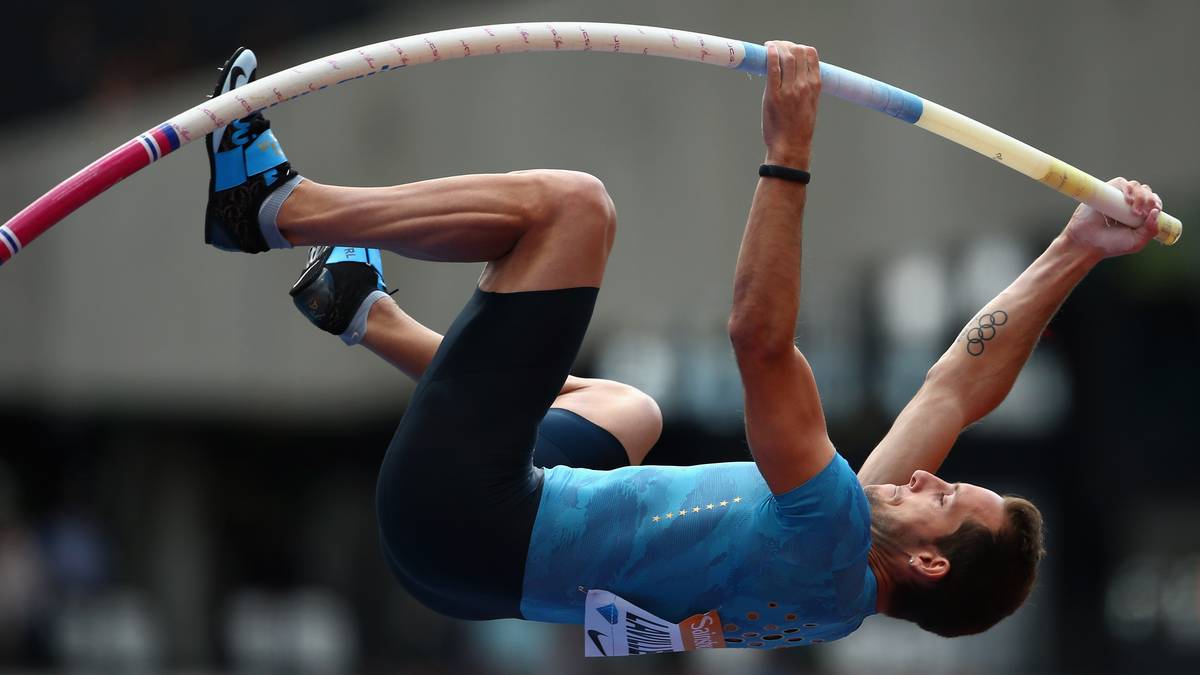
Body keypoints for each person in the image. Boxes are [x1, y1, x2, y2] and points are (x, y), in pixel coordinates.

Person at [203, 41, 1163, 646]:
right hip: (474, 561)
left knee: (573, 211)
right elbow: (955, 388)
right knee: (630, 410)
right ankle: (361, 308)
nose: (928, 477)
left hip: (463, 513)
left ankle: (278, 209)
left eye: (946, 494)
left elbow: (756, 338)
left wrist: (787, 150)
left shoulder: (828, 528)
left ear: (929, 564)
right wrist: (1077, 247)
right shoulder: (842, 580)